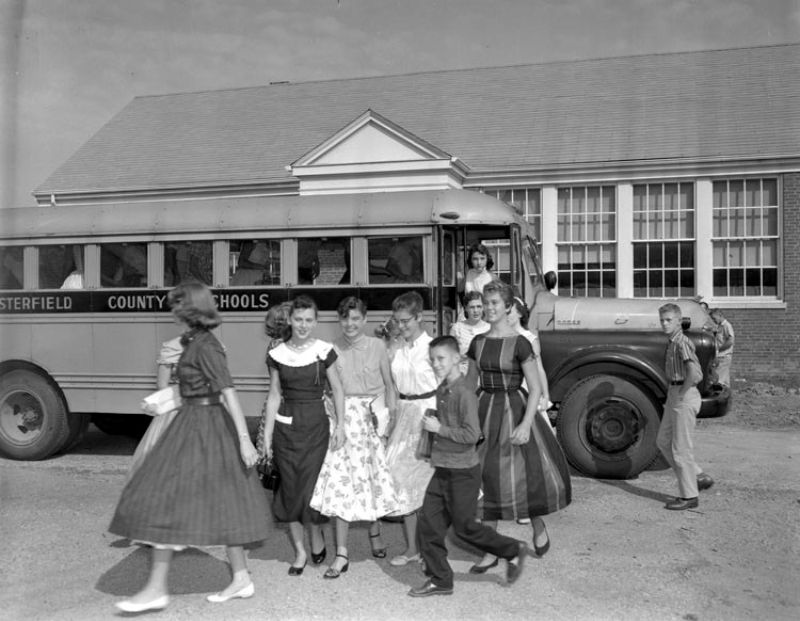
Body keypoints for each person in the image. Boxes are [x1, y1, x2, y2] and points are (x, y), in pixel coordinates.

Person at [108, 282, 269, 613]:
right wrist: (163, 399)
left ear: (190, 308)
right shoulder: (192, 341)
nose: (172, 311)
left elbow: (228, 391)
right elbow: (193, 388)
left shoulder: (207, 345)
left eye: (177, 305)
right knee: (222, 501)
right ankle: (240, 578)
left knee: (165, 499)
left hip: (206, 428)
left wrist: (244, 440)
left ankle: (155, 589)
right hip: (191, 422)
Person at [410, 336, 526, 597]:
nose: (436, 364)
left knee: (464, 527)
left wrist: (440, 428)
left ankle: (512, 550)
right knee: (428, 524)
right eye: (433, 360)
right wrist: (434, 426)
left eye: (441, 358)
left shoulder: (464, 393)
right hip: (442, 469)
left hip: (463, 472)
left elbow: (472, 435)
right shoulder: (443, 389)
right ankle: (441, 580)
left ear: (456, 359)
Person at [467, 282, 571, 573]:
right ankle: (490, 550)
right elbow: (467, 384)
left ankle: (538, 527)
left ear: (508, 306)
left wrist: (526, 424)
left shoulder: (521, 342)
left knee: (523, 478)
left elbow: (536, 388)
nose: (489, 308)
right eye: (486, 303)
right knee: (485, 478)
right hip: (484, 408)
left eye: (495, 303)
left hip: (515, 410)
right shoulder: (477, 343)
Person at [310, 296, 400, 578]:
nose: (350, 324)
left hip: (373, 416)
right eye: (345, 318)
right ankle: (341, 552)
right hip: (343, 419)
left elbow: (390, 386)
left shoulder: (377, 346)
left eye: (356, 318)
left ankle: (375, 532)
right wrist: (334, 422)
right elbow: (328, 389)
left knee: (371, 478)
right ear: (339, 320)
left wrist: (388, 424)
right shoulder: (331, 349)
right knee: (342, 483)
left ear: (365, 319)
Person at [263, 295, 345, 575]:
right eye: (298, 319)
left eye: (309, 320)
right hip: (286, 429)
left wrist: (342, 426)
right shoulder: (277, 354)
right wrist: (266, 436)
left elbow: (337, 390)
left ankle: (316, 534)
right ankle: (299, 551)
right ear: (290, 320)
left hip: (317, 426)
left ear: (316, 321)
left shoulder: (325, 350)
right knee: (290, 489)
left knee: (312, 489)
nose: (303, 325)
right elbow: (274, 395)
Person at [384, 291, 436, 566]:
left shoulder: (432, 348)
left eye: (406, 321)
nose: (401, 326)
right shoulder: (396, 349)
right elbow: (390, 387)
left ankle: (431, 550)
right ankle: (412, 548)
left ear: (419, 317)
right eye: (397, 321)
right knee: (401, 481)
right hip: (403, 416)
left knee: (428, 487)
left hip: (428, 416)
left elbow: (447, 386)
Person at [657, 303, 715, 511]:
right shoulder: (672, 342)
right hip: (675, 393)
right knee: (663, 440)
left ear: (678, 321)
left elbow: (695, 373)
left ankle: (689, 496)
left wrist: (682, 393)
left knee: (681, 450)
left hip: (684, 394)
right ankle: (696, 475)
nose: (664, 324)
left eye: (669, 320)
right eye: (662, 320)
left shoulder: (682, 343)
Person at [125, 335, 183, 482]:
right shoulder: (173, 347)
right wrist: (181, 397)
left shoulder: (213, 345)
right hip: (176, 408)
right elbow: (162, 384)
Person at [449, 291, 490, 356]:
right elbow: (450, 354)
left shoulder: (489, 329)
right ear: (466, 308)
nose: (476, 311)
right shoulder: (457, 328)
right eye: (472, 307)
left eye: (479, 306)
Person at [710, 308, 734, 388]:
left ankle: (722, 397)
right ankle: (726, 397)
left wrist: (719, 349)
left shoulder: (727, 326)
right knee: (725, 382)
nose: (713, 320)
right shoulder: (719, 326)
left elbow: (730, 341)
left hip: (724, 357)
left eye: (714, 318)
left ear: (720, 315)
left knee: (719, 381)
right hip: (720, 357)